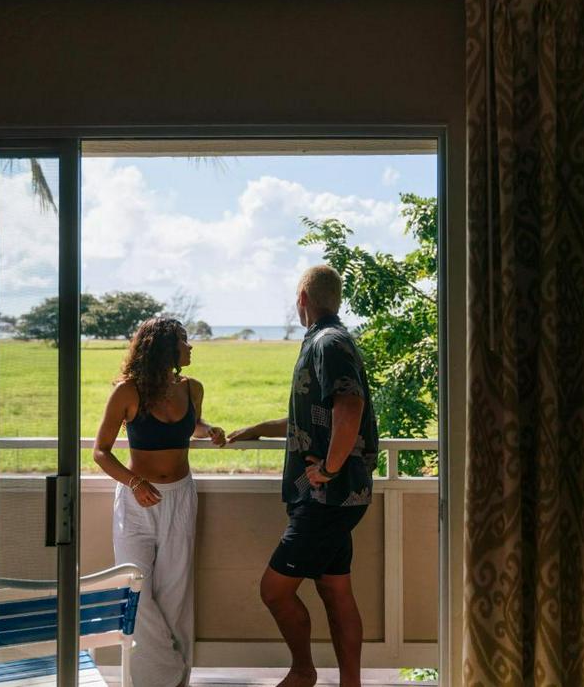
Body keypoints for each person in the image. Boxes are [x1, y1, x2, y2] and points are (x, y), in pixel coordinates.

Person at [227, 265, 379, 687]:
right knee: (335, 589)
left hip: (326, 496)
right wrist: (259, 428)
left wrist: (329, 468)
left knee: (274, 590)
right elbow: (316, 417)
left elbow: (349, 406)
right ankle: (349, 683)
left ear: (302, 300)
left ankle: (302, 671)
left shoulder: (327, 342)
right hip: (336, 495)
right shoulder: (329, 340)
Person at [93, 317, 226, 687]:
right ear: (166, 348)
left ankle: (176, 680)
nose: (190, 346)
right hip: (137, 502)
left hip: (180, 498)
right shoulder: (127, 391)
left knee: (176, 594)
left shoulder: (192, 388)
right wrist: (134, 482)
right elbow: (101, 451)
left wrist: (209, 430)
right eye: (184, 341)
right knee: (134, 589)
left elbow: (190, 425)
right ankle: (164, 672)